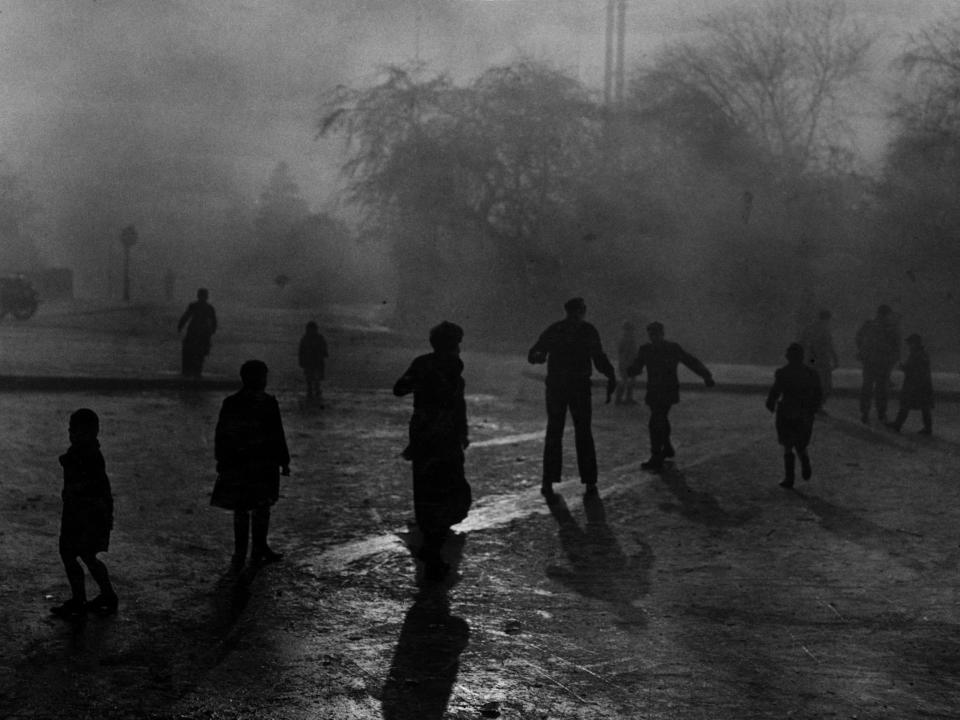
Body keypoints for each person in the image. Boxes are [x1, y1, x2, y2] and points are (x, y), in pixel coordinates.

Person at [393, 321, 472, 583]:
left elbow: (400, 388)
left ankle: (432, 548)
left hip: (424, 434)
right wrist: (462, 431)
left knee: (428, 490)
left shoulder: (423, 364)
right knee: (448, 490)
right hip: (444, 435)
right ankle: (433, 550)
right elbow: (457, 403)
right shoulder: (451, 368)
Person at [527, 297, 617, 498]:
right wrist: (611, 375)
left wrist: (538, 357)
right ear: (582, 311)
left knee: (555, 432)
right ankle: (589, 482)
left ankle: (549, 480)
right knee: (582, 433)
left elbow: (534, 352)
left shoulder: (556, 329)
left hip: (558, 387)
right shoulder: (588, 331)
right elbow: (599, 358)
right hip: (578, 387)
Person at [211, 360, 291, 570]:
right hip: (259, 463)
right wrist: (284, 460)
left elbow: (222, 434)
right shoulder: (266, 403)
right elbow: (277, 434)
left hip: (244, 463)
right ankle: (256, 547)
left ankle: (243, 550)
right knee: (259, 507)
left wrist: (222, 460)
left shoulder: (233, 402)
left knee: (245, 508)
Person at [51, 408, 117, 619]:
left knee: (72, 554)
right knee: (86, 556)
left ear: (92, 433)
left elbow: (88, 486)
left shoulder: (86, 455)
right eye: (72, 430)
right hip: (85, 514)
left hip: (85, 515)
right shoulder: (85, 453)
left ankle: (81, 599)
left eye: (78, 431)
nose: (73, 435)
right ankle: (105, 595)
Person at [627, 321, 715, 472]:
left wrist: (630, 371)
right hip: (667, 389)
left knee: (655, 421)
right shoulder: (671, 348)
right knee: (661, 417)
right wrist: (706, 375)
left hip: (656, 390)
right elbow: (690, 361)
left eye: (654, 334)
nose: (653, 337)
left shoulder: (647, 349)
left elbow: (637, 367)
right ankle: (666, 446)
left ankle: (657, 455)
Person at [766, 343, 823, 489]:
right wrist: (813, 409)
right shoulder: (811, 374)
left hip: (787, 411)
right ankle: (804, 461)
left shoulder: (783, 373)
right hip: (804, 412)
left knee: (787, 444)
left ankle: (789, 477)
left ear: (788, 357)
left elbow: (775, 391)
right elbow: (818, 394)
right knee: (801, 443)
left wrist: (771, 403)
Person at [855, 304, 900, 424]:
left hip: (869, 361)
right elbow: (896, 346)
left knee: (867, 387)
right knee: (882, 389)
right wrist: (893, 359)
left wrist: (863, 352)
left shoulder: (869, 325)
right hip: (883, 362)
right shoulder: (890, 327)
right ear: (887, 314)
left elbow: (858, 338)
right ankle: (881, 413)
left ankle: (865, 412)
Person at [886, 333, 933, 435]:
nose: (909, 345)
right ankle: (927, 428)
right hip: (923, 385)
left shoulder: (917, 354)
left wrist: (903, 367)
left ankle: (898, 425)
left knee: (906, 405)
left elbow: (913, 370)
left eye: (910, 343)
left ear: (914, 343)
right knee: (924, 407)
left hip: (915, 385)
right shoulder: (921, 354)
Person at [799, 309, 838, 411]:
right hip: (822, 360)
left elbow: (802, 343)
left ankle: (812, 404)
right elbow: (830, 346)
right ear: (828, 319)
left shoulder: (809, 328)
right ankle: (817, 405)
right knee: (826, 385)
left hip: (811, 359)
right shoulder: (825, 330)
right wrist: (835, 359)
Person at [178, 288, 218, 378]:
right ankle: (197, 372)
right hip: (203, 332)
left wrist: (180, 326)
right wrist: (212, 330)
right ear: (207, 297)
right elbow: (214, 321)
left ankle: (187, 371)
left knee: (189, 351)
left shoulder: (194, 306)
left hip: (194, 331)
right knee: (200, 353)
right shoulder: (209, 307)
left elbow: (186, 316)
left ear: (198, 296)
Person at [298, 320, 329, 405]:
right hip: (310, 361)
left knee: (315, 377)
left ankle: (315, 390)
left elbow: (323, 348)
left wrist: (324, 353)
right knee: (310, 377)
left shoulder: (315, 338)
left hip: (316, 361)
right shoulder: (306, 339)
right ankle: (311, 390)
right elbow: (301, 351)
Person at [615, 320, 639, 405]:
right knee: (624, 381)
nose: (632, 331)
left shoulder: (629, 339)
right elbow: (623, 353)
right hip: (626, 364)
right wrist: (624, 363)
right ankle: (619, 399)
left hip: (630, 363)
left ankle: (628, 398)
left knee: (631, 381)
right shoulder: (625, 340)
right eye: (630, 329)